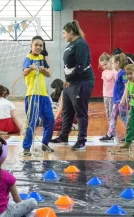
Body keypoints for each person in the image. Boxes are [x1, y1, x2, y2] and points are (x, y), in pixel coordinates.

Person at [50, 20, 95, 151]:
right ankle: (63, 136)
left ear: (71, 32)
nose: (63, 35)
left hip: (82, 82)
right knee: (67, 111)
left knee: (80, 112)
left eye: (64, 33)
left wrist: (68, 79)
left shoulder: (81, 43)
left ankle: (81, 141)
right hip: (71, 83)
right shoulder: (70, 44)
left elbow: (81, 65)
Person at [22, 36, 55, 156]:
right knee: (32, 122)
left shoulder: (42, 58)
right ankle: (26, 147)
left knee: (50, 120)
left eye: (41, 45)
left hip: (44, 95)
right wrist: (30, 68)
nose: (38, 47)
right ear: (31, 45)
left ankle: (45, 144)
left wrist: (43, 70)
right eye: (36, 45)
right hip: (33, 95)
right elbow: (24, 72)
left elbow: (48, 73)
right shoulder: (28, 58)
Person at [99, 53, 128, 141]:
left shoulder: (122, 73)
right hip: (117, 99)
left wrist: (123, 99)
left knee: (124, 117)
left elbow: (127, 86)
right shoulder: (119, 73)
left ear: (117, 63)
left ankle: (133, 133)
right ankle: (110, 133)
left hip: (120, 100)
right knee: (113, 116)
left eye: (112, 63)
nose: (111, 64)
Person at [99, 52, 117, 125]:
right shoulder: (103, 72)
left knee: (113, 114)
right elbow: (104, 84)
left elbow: (117, 83)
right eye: (102, 65)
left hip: (113, 95)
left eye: (105, 64)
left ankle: (113, 130)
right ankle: (111, 129)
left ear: (110, 61)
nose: (104, 67)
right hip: (105, 95)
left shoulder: (114, 72)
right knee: (108, 113)